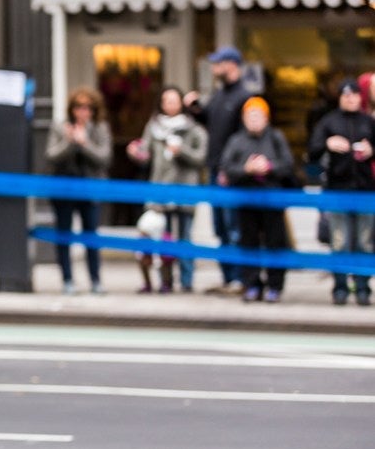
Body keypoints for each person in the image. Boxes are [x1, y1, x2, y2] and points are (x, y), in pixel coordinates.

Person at [184, 46, 253, 295]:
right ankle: (228, 278)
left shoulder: (244, 97)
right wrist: (195, 109)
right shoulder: (219, 94)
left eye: (217, 63)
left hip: (232, 174)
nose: (213, 68)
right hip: (214, 170)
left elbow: (244, 140)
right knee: (220, 228)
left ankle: (239, 279)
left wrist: (229, 169)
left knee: (234, 227)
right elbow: (211, 123)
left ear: (231, 65)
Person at [126, 85, 208, 292]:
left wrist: (182, 151)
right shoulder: (153, 128)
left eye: (174, 100)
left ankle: (187, 282)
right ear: (161, 104)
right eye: (166, 101)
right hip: (161, 190)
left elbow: (201, 158)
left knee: (185, 238)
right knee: (163, 238)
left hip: (186, 190)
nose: (170, 105)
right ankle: (166, 281)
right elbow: (145, 153)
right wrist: (135, 153)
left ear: (181, 103)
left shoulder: (194, 129)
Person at [220, 96, 295, 303]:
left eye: (258, 115)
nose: (254, 120)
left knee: (275, 243)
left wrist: (269, 167)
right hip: (246, 201)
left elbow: (288, 165)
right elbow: (227, 167)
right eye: (250, 116)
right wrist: (247, 169)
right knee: (248, 243)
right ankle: (251, 284)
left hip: (273, 200)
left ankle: (275, 285)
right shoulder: (237, 140)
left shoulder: (276, 137)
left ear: (266, 118)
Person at [307, 78, 375, 306]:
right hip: (337, 190)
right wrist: (328, 144)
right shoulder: (328, 122)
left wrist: (370, 150)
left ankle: (364, 288)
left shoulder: (368, 122)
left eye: (354, 94)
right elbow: (311, 153)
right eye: (346, 95)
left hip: (365, 190)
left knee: (365, 242)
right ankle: (340, 288)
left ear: (359, 96)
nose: (350, 98)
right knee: (339, 242)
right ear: (340, 98)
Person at [44, 85, 112, 295]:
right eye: (79, 107)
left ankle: (95, 280)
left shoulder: (100, 128)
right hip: (63, 189)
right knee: (63, 235)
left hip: (90, 190)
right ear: (71, 109)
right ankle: (67, 279)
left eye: (88, 108)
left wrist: (84, 143)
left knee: (91, 236)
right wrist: (69, 141)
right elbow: (51, 155)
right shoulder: (60, 127)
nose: (83, 112)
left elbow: (105, 158)